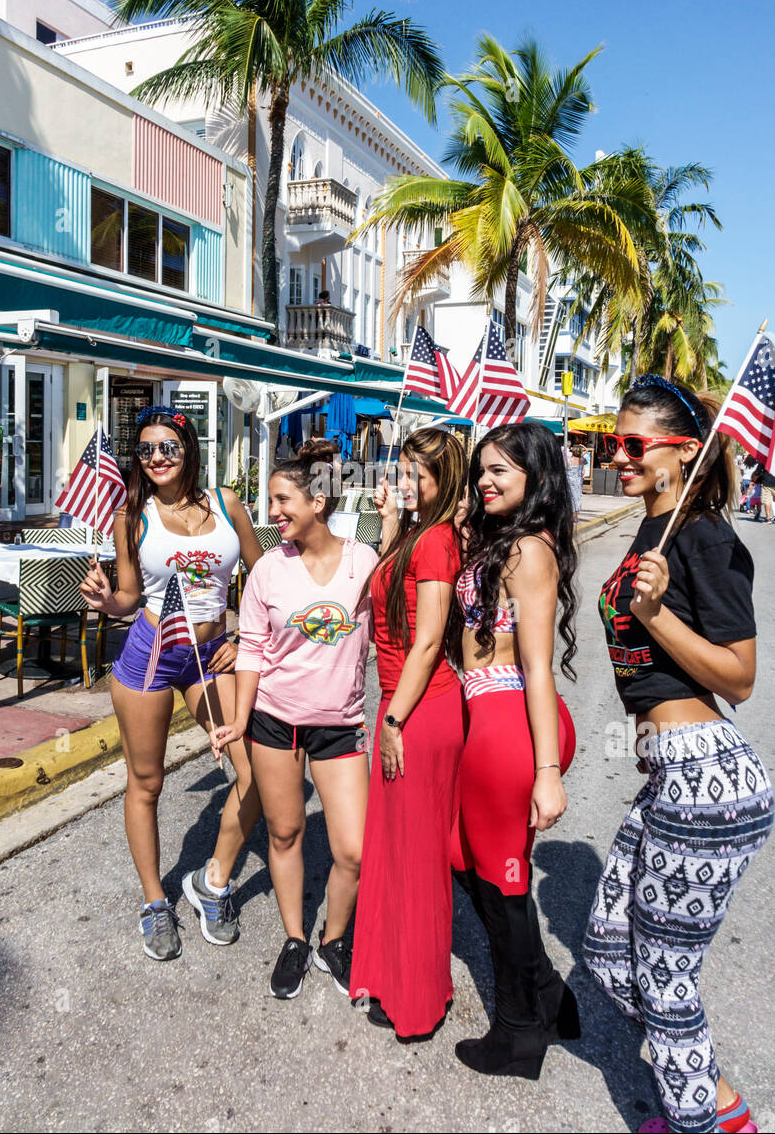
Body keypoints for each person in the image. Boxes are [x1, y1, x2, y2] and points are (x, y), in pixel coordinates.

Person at [583, 374, 774, 1134]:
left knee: (665, 980)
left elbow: (742, 677)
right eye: (612, 444)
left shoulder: (705, 534)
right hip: (672, 772)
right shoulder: (649, 529)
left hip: (709, 780)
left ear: (684, 452)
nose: (617, 458)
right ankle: (711, 1092)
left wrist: (655, 618)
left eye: (633, 445)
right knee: (606, 947)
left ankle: (704, 1133)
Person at [79, 406, 263, 961]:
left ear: (189, 449)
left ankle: (212, 880)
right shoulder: (132, 516)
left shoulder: (228, 504)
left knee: (257, 772)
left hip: (215, 654)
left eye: (168, 447)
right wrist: (111, 602)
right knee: (147, 781)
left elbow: (266, 576)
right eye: (146, 450)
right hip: (152, 655)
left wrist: (249, 637)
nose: (156, 458)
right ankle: (156, 901)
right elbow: (132, 594)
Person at [212, 440, 377, 1000]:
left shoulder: (363, 563)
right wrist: (238, 720)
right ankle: (294, 939)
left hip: (341, 722)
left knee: (352, 848)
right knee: (284, 831)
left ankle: (334, 940)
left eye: (284, 500)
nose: (274, 512)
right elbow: (253, 652)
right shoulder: (266, 577)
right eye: (272, 501)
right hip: (275, 721)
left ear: (320, 502)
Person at [447, 423, 579, 1077]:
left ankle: (519, 1032)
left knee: (501, 879)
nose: (486, 481)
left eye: (501, 471)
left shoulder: (529, 550)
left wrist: (548, 772)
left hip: (509, 723)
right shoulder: (501, 541)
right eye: (481, 471)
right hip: (488, 717)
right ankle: (551, 994)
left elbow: (538, 663)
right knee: (467, 861)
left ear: (537, 477)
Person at [350, 427, 467, 1038]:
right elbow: (395, 591)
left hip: (419, 712)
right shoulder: (421, 534)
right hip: (404, 705)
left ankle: (419, 999)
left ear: (442, 479)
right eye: (400, 470)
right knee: (395, 853)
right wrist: (393, 520)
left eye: (416, 474)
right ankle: (395, 977)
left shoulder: (441, 540)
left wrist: (393, 718)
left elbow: (427, 640)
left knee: (418, 859)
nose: (404, 481)